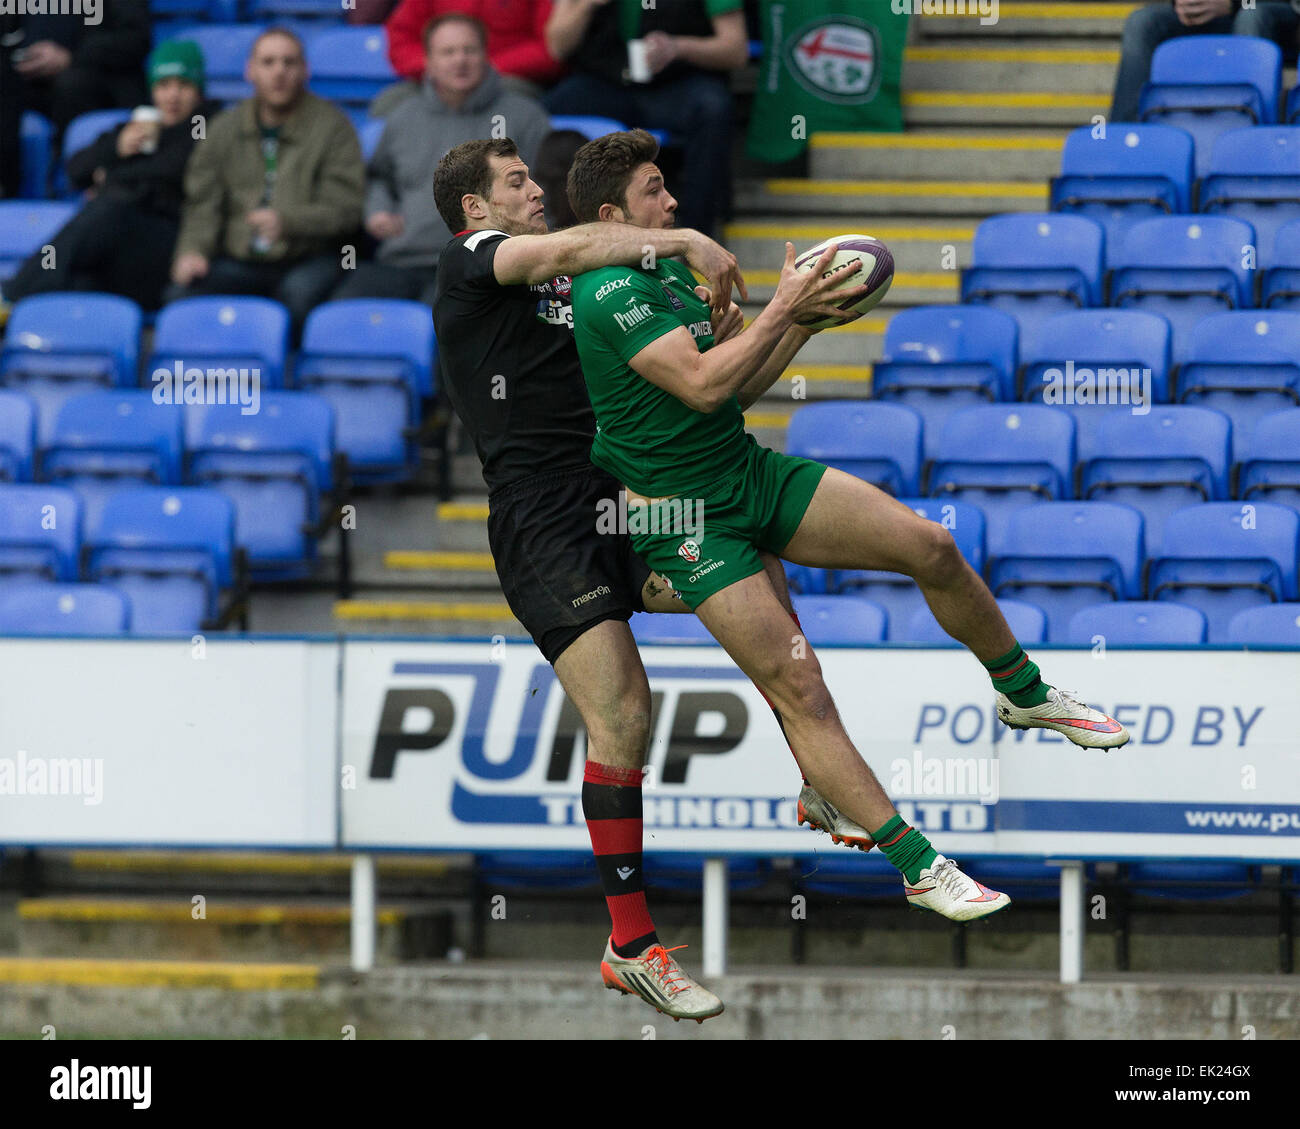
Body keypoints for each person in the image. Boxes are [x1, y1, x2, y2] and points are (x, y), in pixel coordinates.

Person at [566, 130, 1133, 930]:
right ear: (610, 212)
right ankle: (919, 866)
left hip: (746, 473)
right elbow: (700, 385)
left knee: (930, 545)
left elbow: (736, 393)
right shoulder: (605, 293)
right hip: (684, 520)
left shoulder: (669, 281)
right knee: (801, 687)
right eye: (655, 190)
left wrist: (806, 322)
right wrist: (784, 308)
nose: (672, 204)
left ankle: (1025, 693)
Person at [431, 136, 867, 1023]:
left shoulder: (584, 282)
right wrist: (684, 240)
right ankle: (632, 944)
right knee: (626, 710)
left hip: (626, 497)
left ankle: (818, 774)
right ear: (476, 210)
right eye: (515, 184)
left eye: (532, 179)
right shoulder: (473, 259)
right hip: (545, 523)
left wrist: (783, 319)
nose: (532, 193)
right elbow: (569, 246)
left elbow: (700, 377)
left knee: (747, 555)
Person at [334, 13, 550, 305]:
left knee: (443, 324)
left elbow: (547, 189)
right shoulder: (403, 116)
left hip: (483, 263)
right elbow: (379, 177)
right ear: (429, 61)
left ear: (486, 55)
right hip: (403, 259)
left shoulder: (526, 116)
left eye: (469, 50)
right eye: (448, 52)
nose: (460, 60)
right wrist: (379, 210)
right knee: (345, 312)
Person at [165, 28, 363, 337]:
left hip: (310, 257)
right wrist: (193, 251)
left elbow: (347, 208)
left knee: (297, 297)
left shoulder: (333, 127)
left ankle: (285, 380)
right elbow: (203, 203)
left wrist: (289, 222)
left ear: (305, 70)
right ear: (250, 71)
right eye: (268, 62)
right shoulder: (224, 128)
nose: (279, 72)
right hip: (241, 258)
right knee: (182, 297)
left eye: (289, 62)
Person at [1, 41, 216, 314]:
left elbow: (174, 170)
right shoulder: (141, 125)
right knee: (75, 282)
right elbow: (75, 168)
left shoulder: (207, 126)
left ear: (198, 90)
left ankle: (12, 293)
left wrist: (112, 174)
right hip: (123, 256)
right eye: (164, 85)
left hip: (173, 244)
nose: (172, 95)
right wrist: (116, 148)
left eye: (182, 85)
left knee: (110, 207)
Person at [543, 0, 747, 237]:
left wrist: (678, 47)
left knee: (713, 108)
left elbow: (735, 50)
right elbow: (557, 47)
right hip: (609, 83)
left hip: (678, 85)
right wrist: (585, 6)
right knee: (544, 111)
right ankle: (559, 232)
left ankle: (698, 232)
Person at [0, 0, 151, 198]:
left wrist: (70, 57)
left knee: (72, 84)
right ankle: (5, 187)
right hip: (29, 82)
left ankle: (69, 184)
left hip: (98, 81)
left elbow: (136, 38)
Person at [1111, 0, 1300, 122]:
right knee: (1142, 21)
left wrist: (1234, 4)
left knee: (1251, 15)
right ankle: (1125, 137)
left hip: (1276, 10)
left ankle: (1248, 130)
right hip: (1221, 13)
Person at [385, 0, 561, 89]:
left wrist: (488, 67)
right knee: (391, 102)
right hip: (435, 80)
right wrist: (437, 65)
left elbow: (553, 47)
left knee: (510, 101)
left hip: (509, 81)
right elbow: (401, 38)